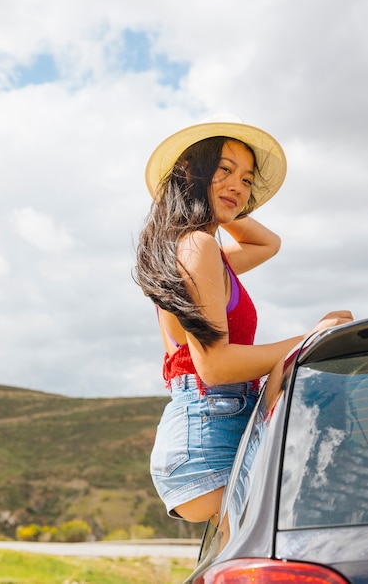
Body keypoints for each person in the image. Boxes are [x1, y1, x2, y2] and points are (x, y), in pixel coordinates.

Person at [134, 114, 353, 524]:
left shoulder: (197, 250)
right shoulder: (196, 246)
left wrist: (218, 199)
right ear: (192, 173)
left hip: (207, 433)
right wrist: (313, 340)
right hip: (207, 445)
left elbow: (267, 243)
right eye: (225, 170)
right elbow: (214, 366)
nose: (239, 185)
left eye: (248, 180)